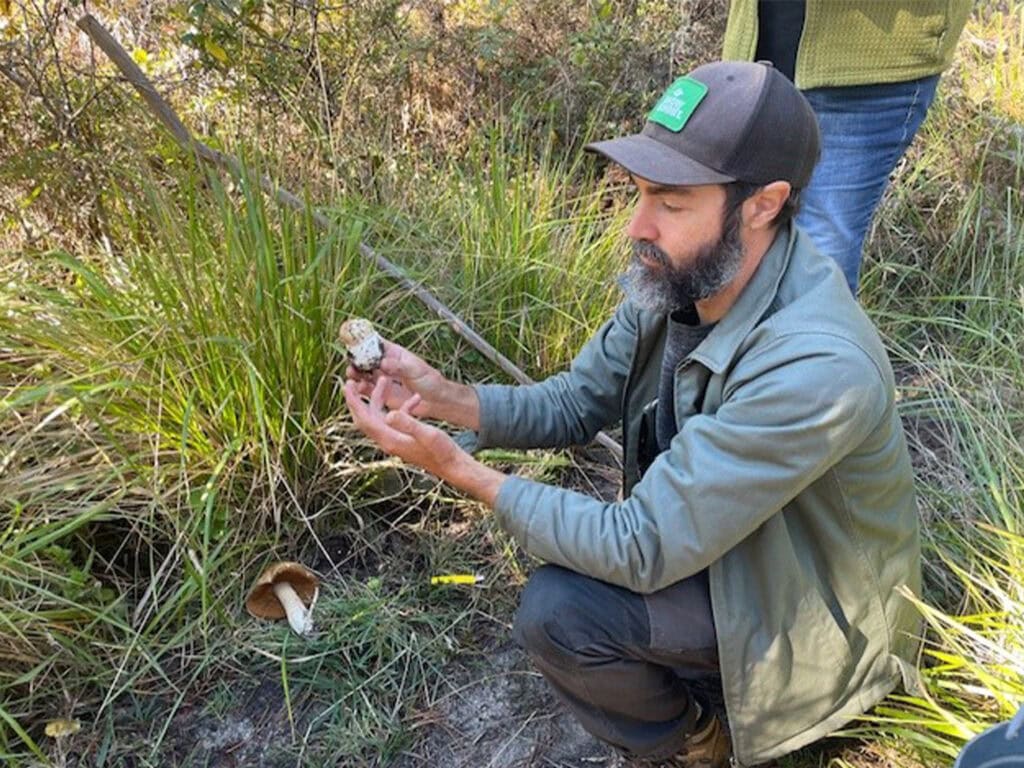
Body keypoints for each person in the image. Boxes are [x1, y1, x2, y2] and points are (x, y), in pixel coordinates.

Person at [344, 61, 921, 768]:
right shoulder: (681, 280)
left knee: (562, 613)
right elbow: (572, 401)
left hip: (805, 617)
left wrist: (462, 472)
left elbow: (640, 546)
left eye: (671, 202)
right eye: (640, 192)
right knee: (572, 603)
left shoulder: (816, 366)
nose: (636, 226)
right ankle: (699, 729)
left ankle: (706, 744)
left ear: (763, 204)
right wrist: (444, 397)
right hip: (723, 546)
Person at [722, 0, 972, 294]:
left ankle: (814, 339)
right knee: (729, 237)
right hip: (758, 46)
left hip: (866, 72)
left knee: (817, 257)